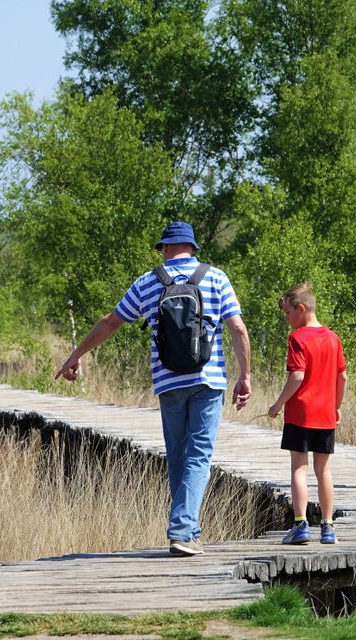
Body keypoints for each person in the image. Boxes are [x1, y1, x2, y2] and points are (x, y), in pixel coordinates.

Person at [54, 221, 252, 556]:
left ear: (164, 248)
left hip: (168, 381)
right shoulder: (216, 277)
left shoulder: (149, 282)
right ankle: (183, 530)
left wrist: (76, 354)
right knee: (199, 454)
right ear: (192, 247)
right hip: (208, 380)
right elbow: (237, 327)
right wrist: (244, 375)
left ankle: (184, 530)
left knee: (177, 455)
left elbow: (111, 321)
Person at [267, 284, 347, 545]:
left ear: (301, 309)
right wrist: (336, 406)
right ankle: (328, 527)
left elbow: (297, 376)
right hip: (325, 414)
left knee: (299, 468)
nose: (287, 318)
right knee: (324, 471)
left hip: (301, 413)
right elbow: (342, 376)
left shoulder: (298, 338)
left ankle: (301, 526)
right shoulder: (333, 338)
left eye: (288, 312)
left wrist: (278, 404)